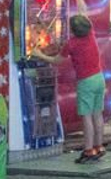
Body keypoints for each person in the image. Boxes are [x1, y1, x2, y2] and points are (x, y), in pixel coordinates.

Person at [34, 14, 107, 163]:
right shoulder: (91, 34)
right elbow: (83, 10)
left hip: (86, 82)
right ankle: (99, 146)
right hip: (99, 78)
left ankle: (88, 150)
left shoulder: (71, 43)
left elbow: (56, 60)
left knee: (86, 116)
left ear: (72, 29)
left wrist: (39, 54)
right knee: (97, 114)